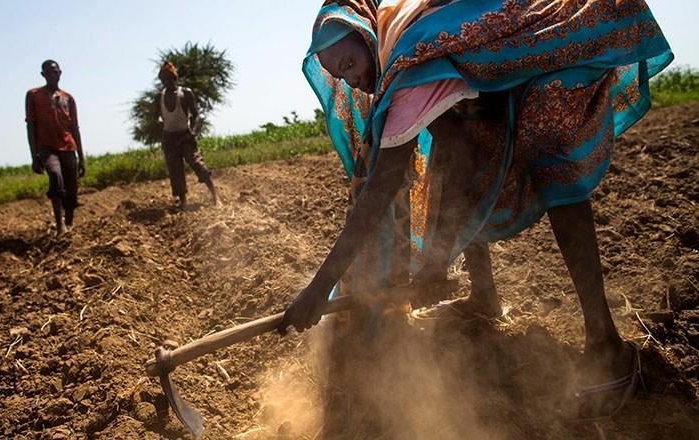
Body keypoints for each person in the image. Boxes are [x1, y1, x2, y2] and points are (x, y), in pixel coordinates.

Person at [278, 0, 673, 420]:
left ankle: (606, 344)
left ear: (366, 34)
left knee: (548, 142)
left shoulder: (409, 65)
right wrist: (436, 258)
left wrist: (320, 289)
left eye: (350, 63)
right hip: (530, 62)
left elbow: (380, 191)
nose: (355, 80)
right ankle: (484, 295)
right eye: (341, 75)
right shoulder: (401, 46)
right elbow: (456, 147)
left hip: (574, 35)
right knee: (460, 151)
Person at [26, 60, 86, 236]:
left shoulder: (68, 98)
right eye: (49, 72)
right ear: (43, 74)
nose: (53, 75)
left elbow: (75, 128)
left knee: (71, 186)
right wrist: (34, 155)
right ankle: (60, 225)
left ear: (60, 73)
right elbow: (31, 126)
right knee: (54, 175)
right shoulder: (33, 95)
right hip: (47, 147)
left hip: (68, 146)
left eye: (55, 72)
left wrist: (81, 157)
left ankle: (69, 223)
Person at [153, 61, 218, 209]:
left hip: (185, 136)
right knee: (175, 170)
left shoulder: (186, 93)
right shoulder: (159, 97)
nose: (166, 82)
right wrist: (158, 122)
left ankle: (215, 197)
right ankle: (183, 202)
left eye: (169, 79)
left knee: (197, 164)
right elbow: (155, 116)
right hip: (169, 138)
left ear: (174, 79)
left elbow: (196, 115)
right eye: (163, 80)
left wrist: (193, 132)